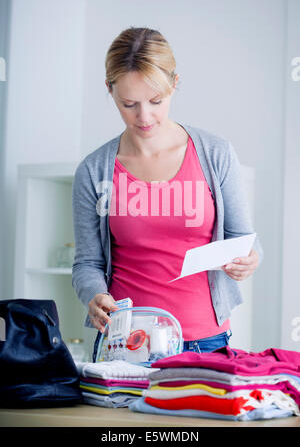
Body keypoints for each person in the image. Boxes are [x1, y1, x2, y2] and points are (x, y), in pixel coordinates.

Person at [72, 26, 263, 355]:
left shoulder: (215, 154)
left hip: (206, 341)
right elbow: (87, 263)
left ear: (175, 84)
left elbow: (244, 238)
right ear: (109, 89)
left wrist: (250, 259)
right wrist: (94, 294)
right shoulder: (93, 170)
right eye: (128, 104)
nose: (144, 117)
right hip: (125, 344)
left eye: (156, 101)